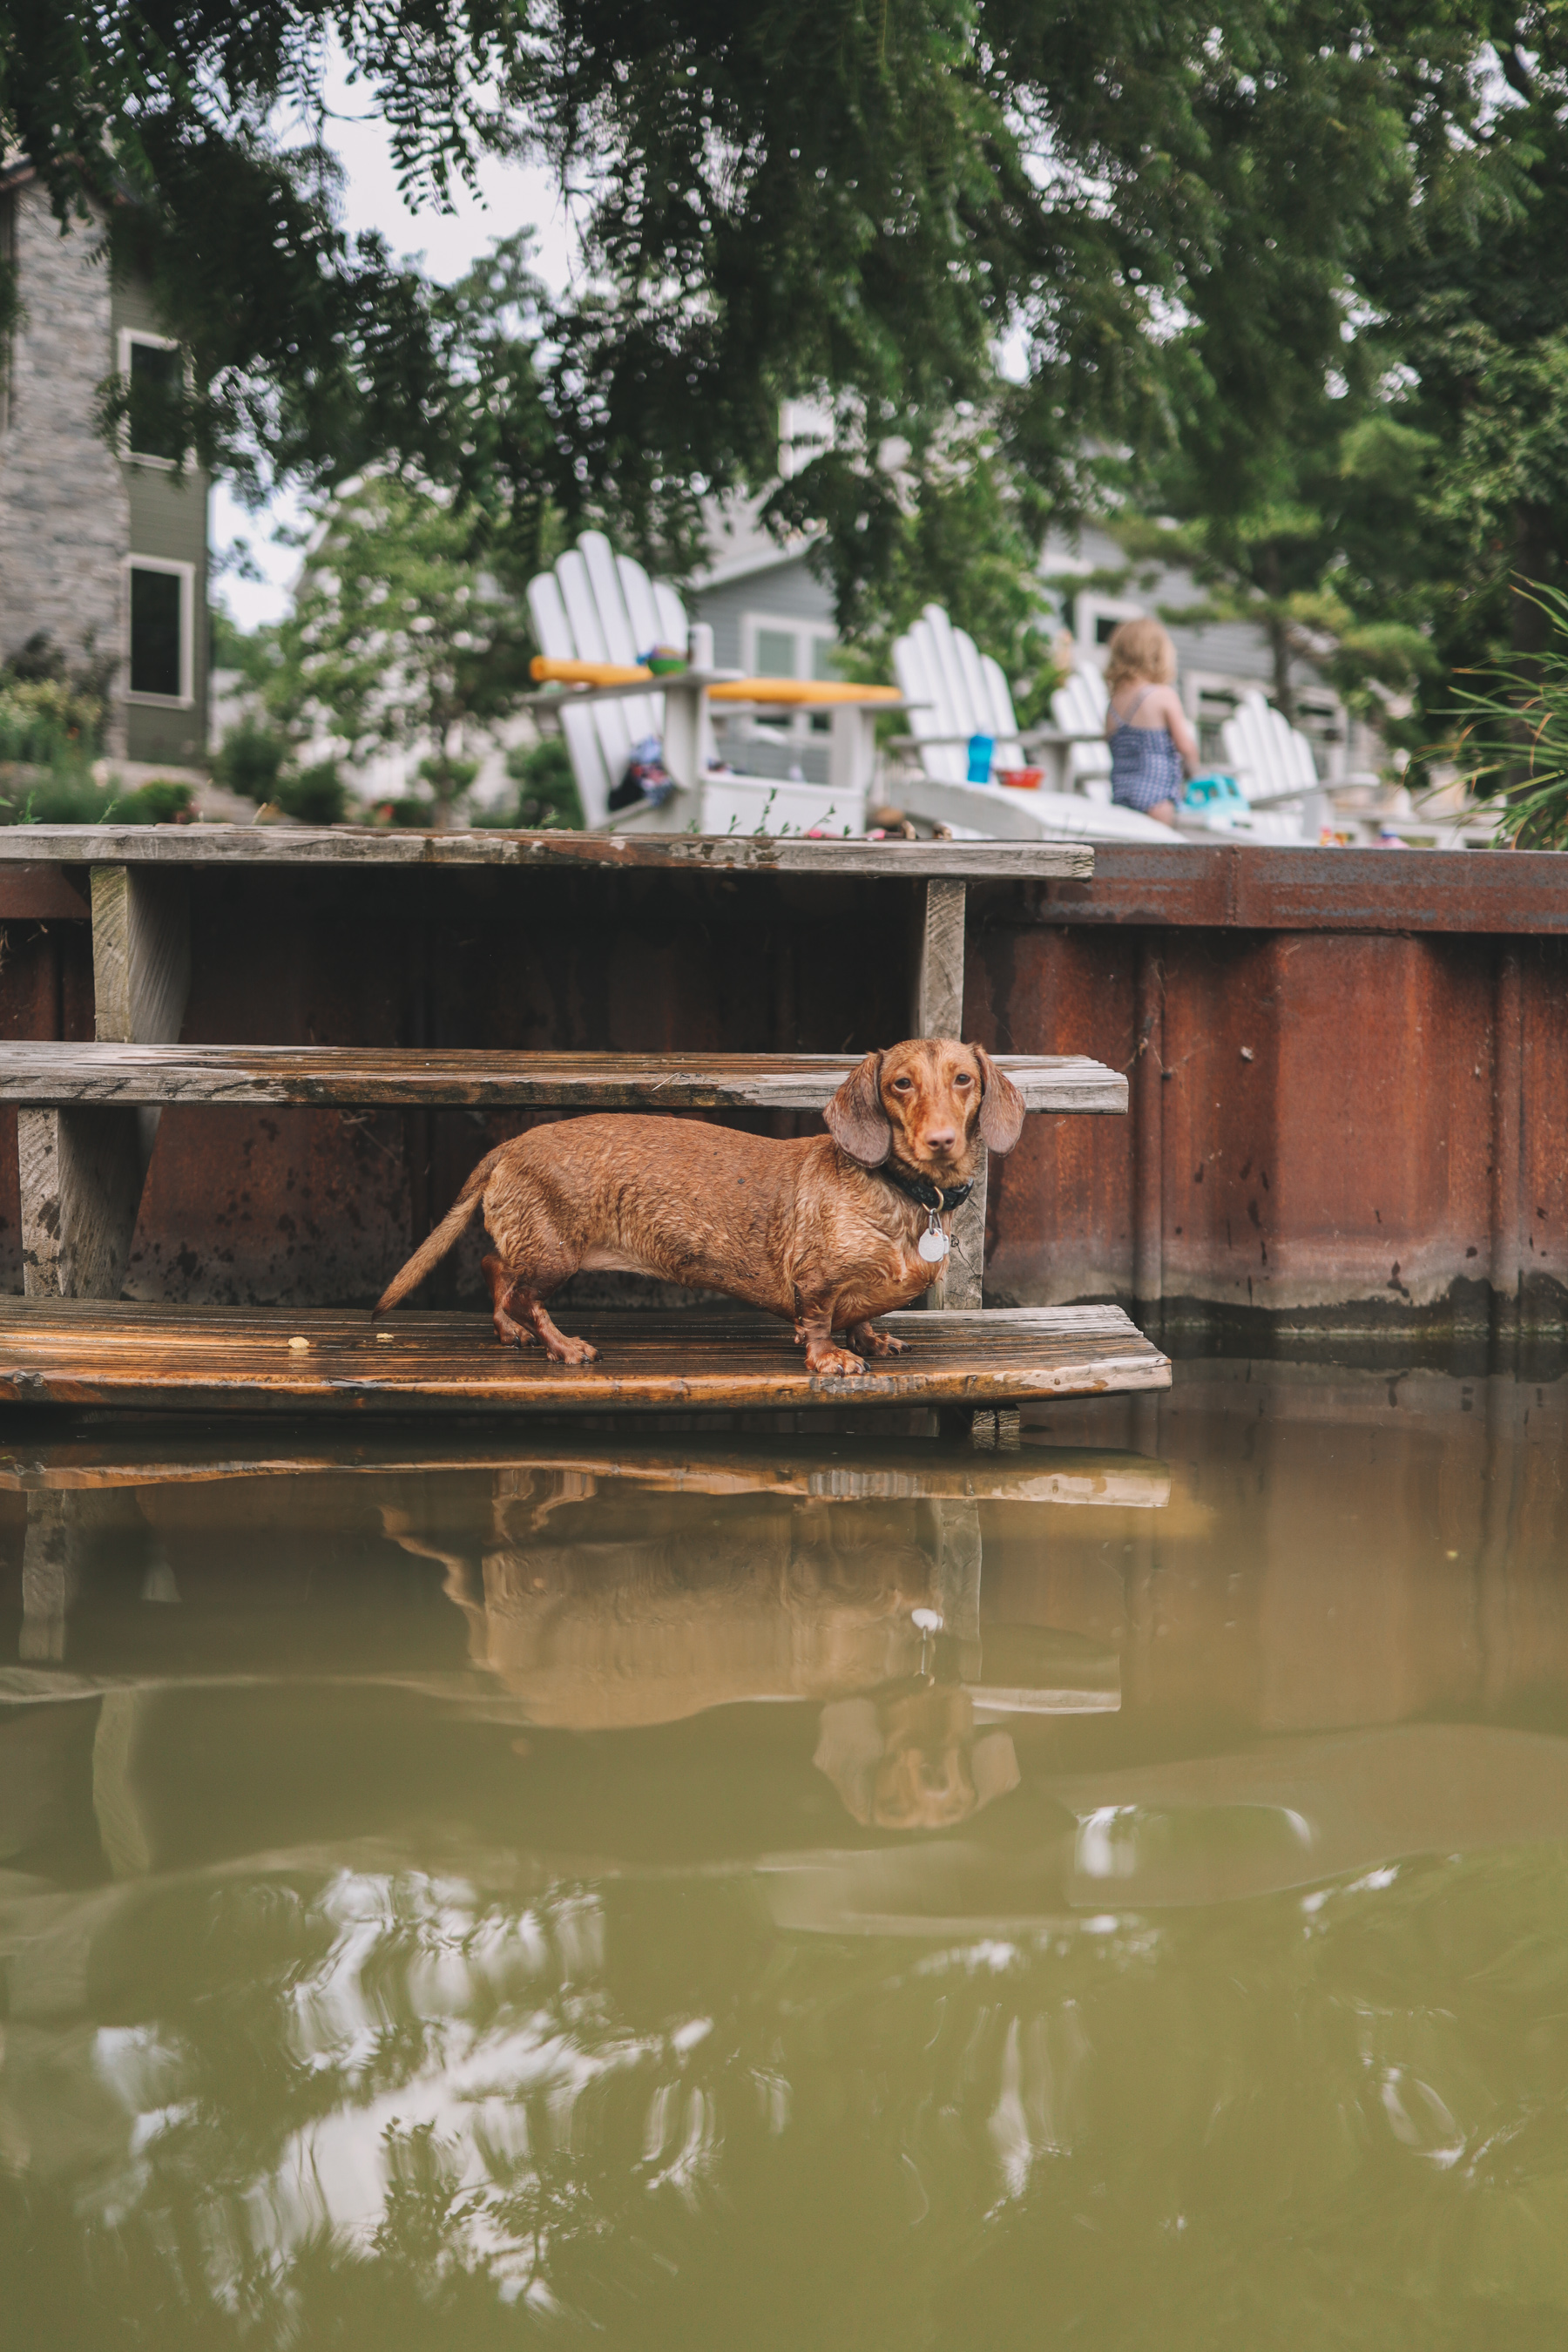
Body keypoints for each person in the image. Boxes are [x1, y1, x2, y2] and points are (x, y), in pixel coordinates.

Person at [1103, 618, 1199, 826]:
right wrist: (1196, 770)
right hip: (1157, 801)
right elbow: (1184, 746)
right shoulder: (1162, 695)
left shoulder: (1114, 704)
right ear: (1158, 654)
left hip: (1121, 798)